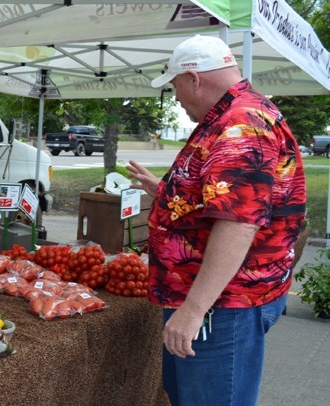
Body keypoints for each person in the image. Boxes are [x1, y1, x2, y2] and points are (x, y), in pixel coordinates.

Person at [126, 35, 306, 406]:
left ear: (194, 78)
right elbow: (223, 196)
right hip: (215, 301)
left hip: (222, 307)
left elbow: (239, 223)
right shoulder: (234, 115)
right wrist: (167, 192)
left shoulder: (240, 123)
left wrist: (193, 311)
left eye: (175, 87)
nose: (176, 97)